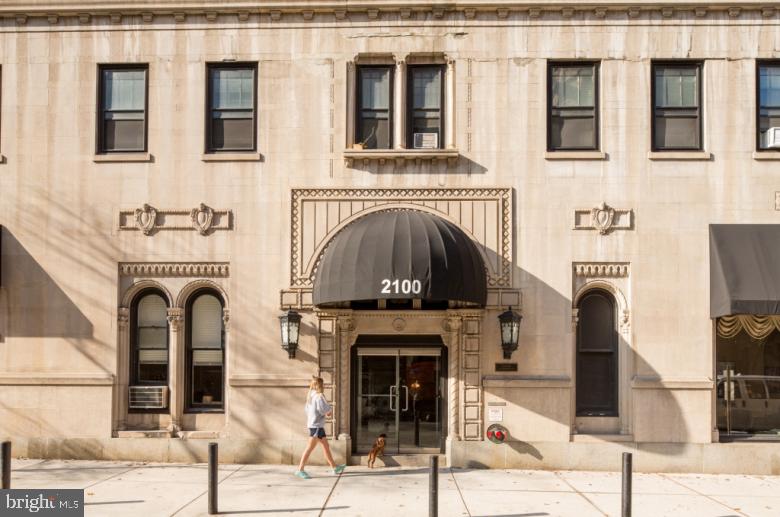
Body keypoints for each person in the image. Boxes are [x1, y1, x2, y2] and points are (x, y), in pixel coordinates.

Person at [294, 376, 346, 479]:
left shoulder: (310, 396)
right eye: (323, 384)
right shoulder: (319, 396)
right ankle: (300, 469)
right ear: (320, 385)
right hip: (316, 426)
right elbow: (324, 410)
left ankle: (334, 467)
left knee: (326, 447)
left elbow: (307, 411)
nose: (325, 386)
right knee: (309, 448)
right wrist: (328, 412)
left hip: (315, 425)